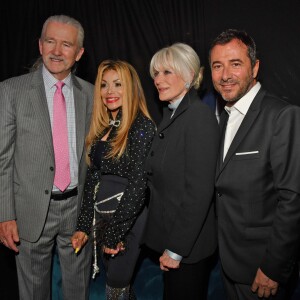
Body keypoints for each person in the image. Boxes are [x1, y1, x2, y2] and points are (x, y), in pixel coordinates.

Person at [0, 15, 94, 300]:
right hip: (30, 211)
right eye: (50, 41)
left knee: (78, 291)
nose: (56, 51)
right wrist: (5, 214)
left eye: (66, 45)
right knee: (33, 293)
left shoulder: (91, 94)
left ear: (78, 53)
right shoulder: (10, 91)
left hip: (77, 210)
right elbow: (2, 158)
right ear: (40, 45)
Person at [210, 29, 300, 300]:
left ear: (255, 67)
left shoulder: (282, 116)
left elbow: (293, 199)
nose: (225, 75)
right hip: (229, 262)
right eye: (217, 66)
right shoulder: (226, 116)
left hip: (262, 269)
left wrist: (274, 267)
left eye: (235, 64)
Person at [71, 60, 156, 299]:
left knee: (116, 286)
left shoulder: (141, 126)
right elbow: (92, 178)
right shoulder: (103, 128)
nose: (110, 92)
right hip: (103, 221)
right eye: (104, 85)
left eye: (118, 84)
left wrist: (115, 233)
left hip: (128, 222)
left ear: (130, 88)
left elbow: (139, 186)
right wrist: (83, 225)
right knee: (117, 287)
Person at [143, 43, 220, 299]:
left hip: (187, 248)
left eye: (167, 72)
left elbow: (199, 192)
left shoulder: (198, 117)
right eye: (156, 73)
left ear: (188, 75)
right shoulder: (172, 115)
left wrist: (175, 250)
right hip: (172, 239)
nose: (158, 80)